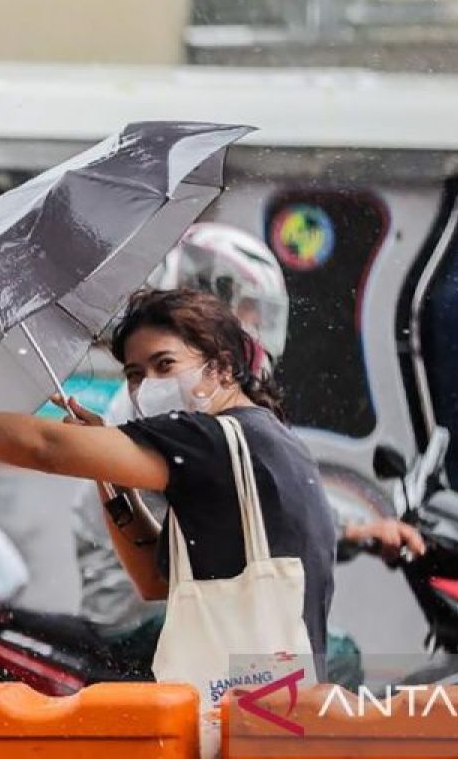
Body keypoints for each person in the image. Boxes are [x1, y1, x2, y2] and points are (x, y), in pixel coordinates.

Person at [0, 287, 339, 677]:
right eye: (135, 374)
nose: (148, 385)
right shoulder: (269, 437)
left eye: (164, 365)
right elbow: (154, 579)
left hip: (249, 698)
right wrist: (105, 469)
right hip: (279, 693)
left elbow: (47, 447)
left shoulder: (208, 439)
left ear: (219, 367)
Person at [72, 226, 422, 670]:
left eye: (261, 315)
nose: (256, 328)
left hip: (152, 602)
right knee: (336, 659)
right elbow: (258, 501)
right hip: (141, 617)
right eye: (248, 312)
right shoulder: (168, 405)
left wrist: (352, 532)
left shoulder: (181, 397)